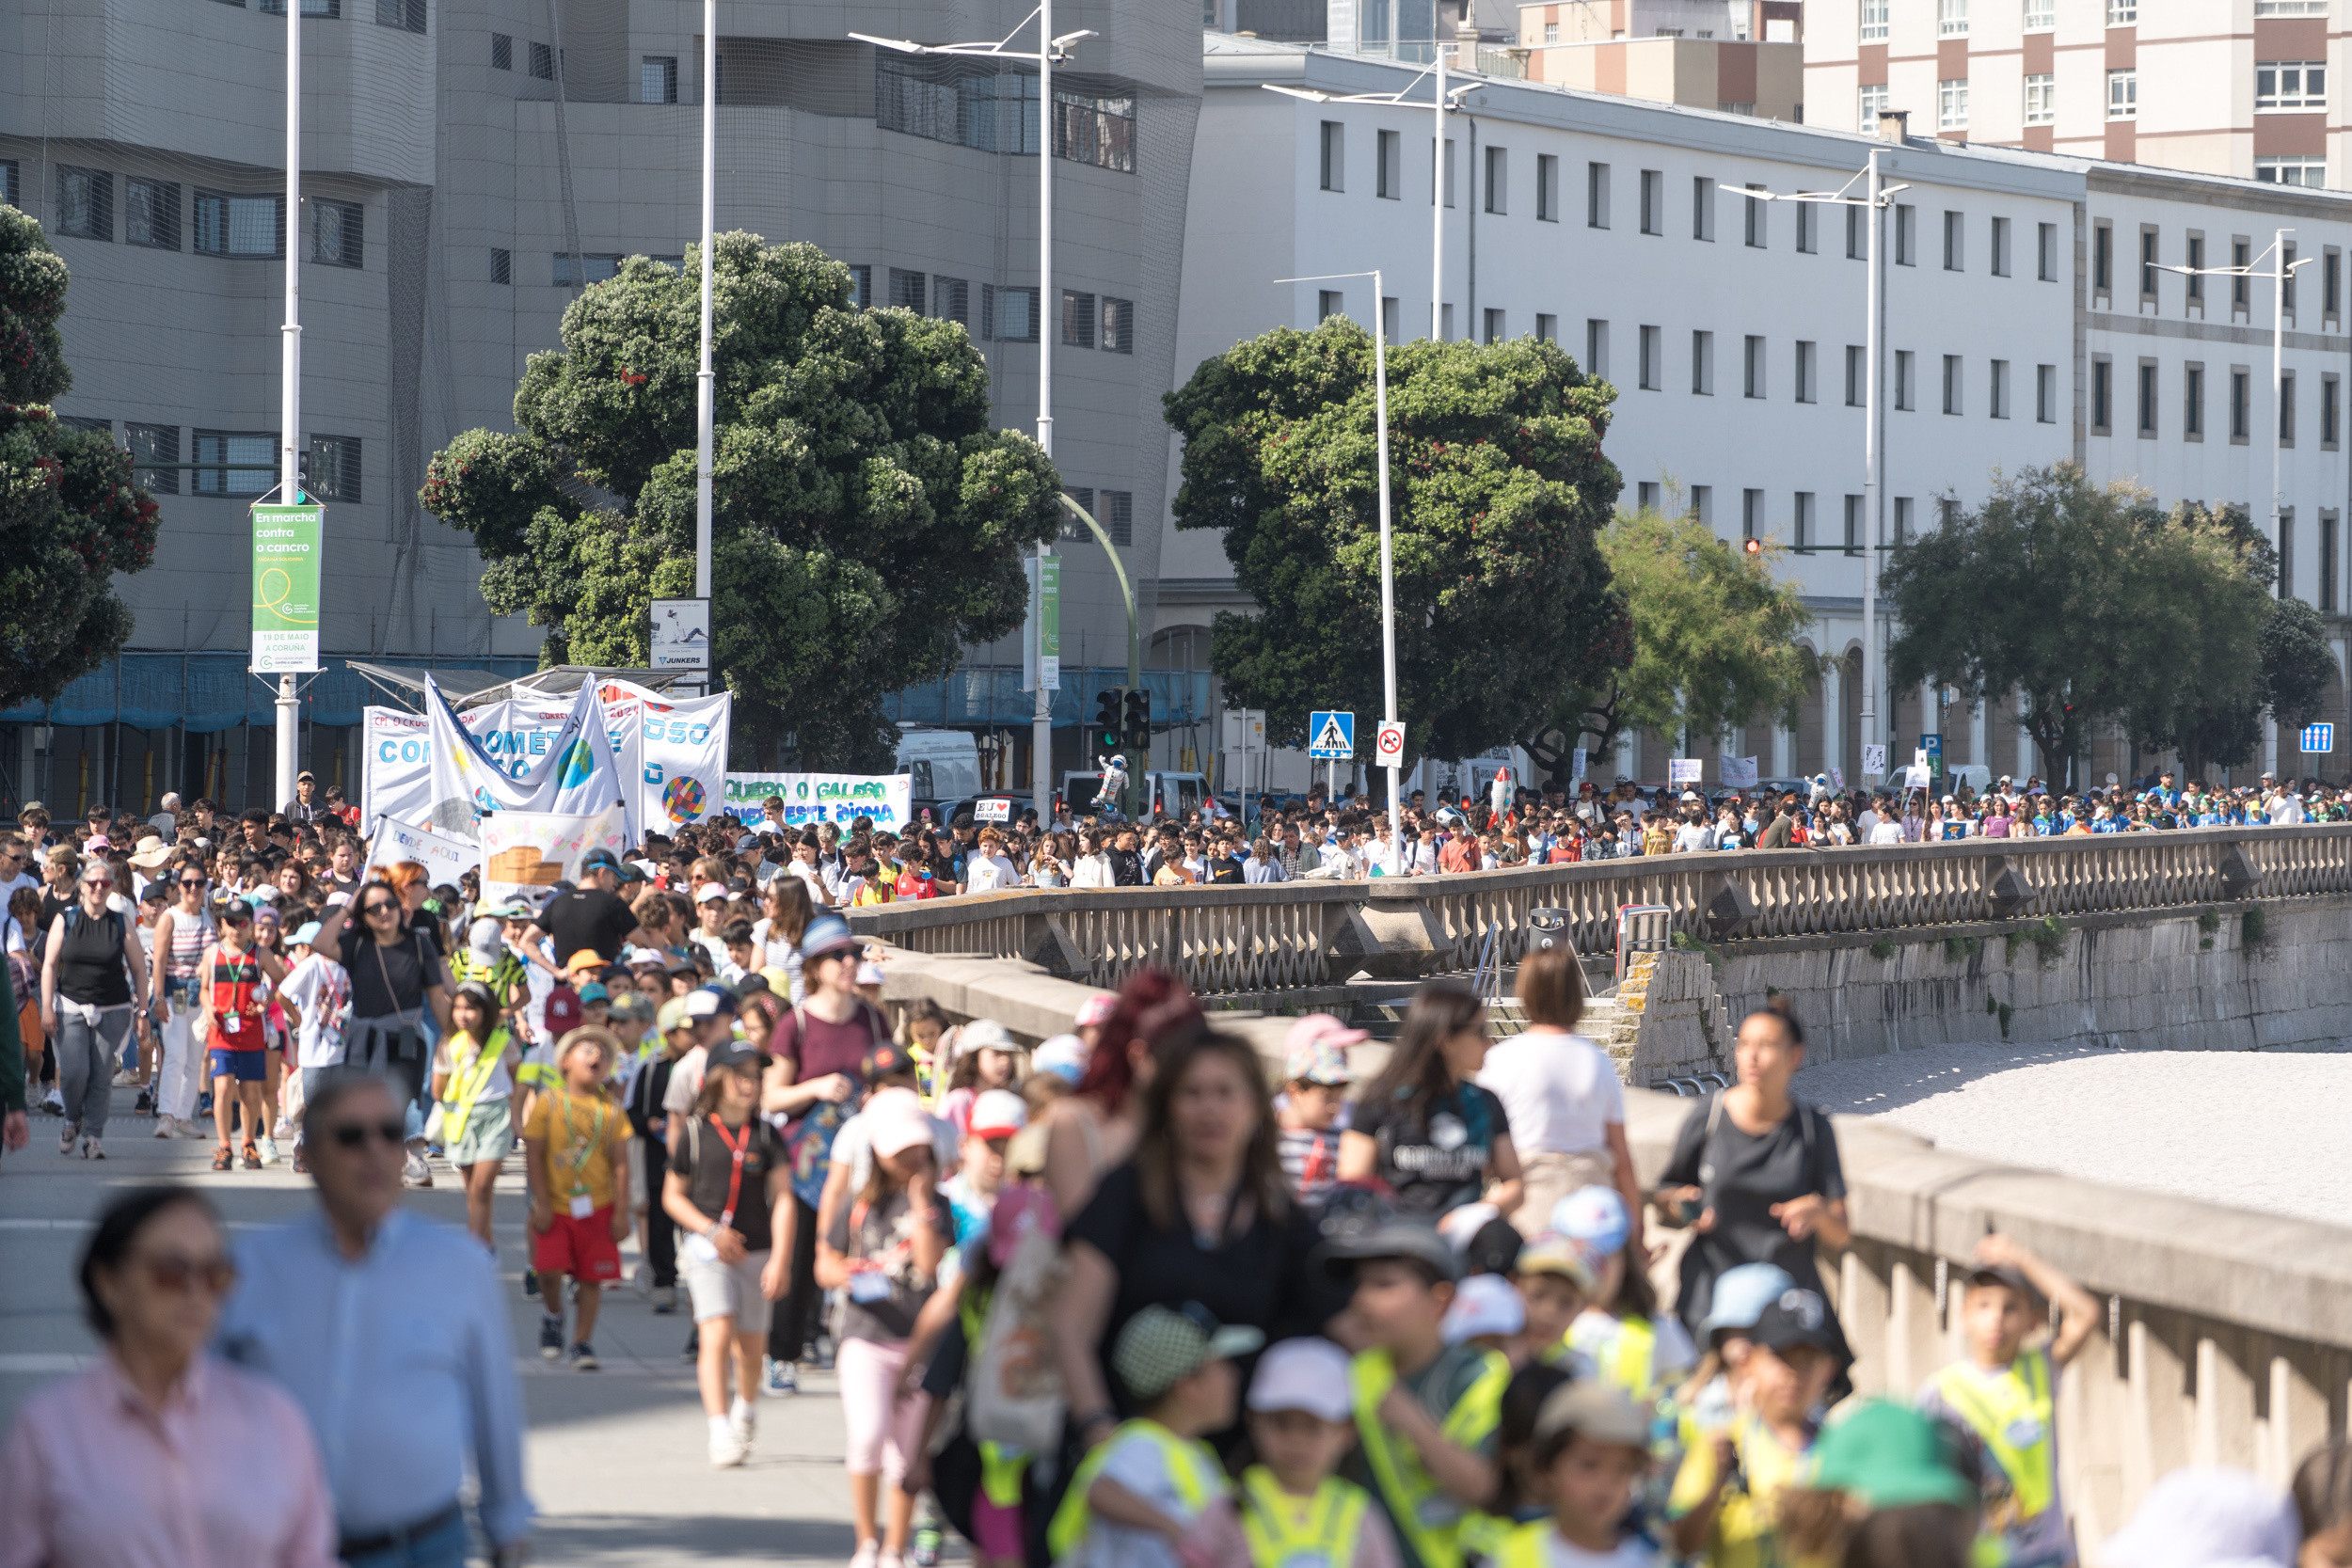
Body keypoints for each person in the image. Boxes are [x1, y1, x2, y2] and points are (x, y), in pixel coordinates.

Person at [217, 1073, 532, 1568]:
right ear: (311, 1155)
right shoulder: (249, 1269)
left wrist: (508, 1525)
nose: (374, 1151)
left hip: (423, 1549)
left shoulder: (460, 1267)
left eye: (389, 1133)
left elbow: (494, 1404)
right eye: (349, 1136)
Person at [1052, 1017, 1345, 1462]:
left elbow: (1337, 1322)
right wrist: (1100, 1431)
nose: (1210, 1109)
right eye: (1193, 1093)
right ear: (1167, 1105)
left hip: (1245, 1464)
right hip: (1128, 1450)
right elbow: (1070, 1325)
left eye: (1225, 1093)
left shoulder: (1279, 1216)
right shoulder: (1126, 1193)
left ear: (1254, 1107)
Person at [0, 1185, 338, 1568]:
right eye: (170, 1272)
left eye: (214, 1273)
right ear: (108, 1282)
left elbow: (309, 1557)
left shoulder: (275, 1416)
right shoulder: (47, 1430)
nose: (196, 1291)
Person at [1652, 999, 1850, 1360]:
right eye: (1744, 1044)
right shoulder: (1708, 1117)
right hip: (1710, 1301)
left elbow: (1841, 1231)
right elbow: (1664, 1197)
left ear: (1795, 1056)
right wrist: (1681, 1206)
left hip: (1783, 1307)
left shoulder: (1811, 1129)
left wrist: (1818, 1211)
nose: (1752, 1056)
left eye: (1767, 1045)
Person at [1316, 1221, 1509, 1568]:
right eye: (1359, 1285)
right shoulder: (1346, 1369)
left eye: (1384, 1285)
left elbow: (1482, 1489)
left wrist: (1403, 1413)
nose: (1361, 1300)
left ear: (1440, 1300)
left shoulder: (1481, 1375)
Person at [818, 1092, 955, 1568]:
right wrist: (847, 1273)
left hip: (919, 1344)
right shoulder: (860, 1205)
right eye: (902, 1151)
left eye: (919, 1148)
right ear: (878, 1151)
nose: (913, 1159)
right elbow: (824, 1264)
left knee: (907, 1452)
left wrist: (922, 1207)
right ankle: (866, 1544)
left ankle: (895, 1547)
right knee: (868, 1435)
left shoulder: (939, 1206)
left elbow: (931, 1265)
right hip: (865, 1336)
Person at [761, 911, 889, 1394]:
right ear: (815, 965)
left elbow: (893, 1078)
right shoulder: (794, 1023)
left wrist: (874, 1095)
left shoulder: (873, 1019)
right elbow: (771, 1096)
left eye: (852, 954)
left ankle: (858, 1345)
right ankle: (783, 1353)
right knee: (798, 1256)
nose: (849, 963)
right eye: (838, 956)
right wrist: (815, 1086)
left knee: (861, 1252)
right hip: (806, 1162)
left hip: (862, 1156)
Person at [1918, 1234, 2099, 1568]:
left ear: (2033, 1321)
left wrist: (2024, 1259)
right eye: (1983, 1306)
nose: (1997, 1319)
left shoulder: (2041, 1368)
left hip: (2046, 1553)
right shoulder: (1941, 1391)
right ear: (1964, 1316)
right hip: (1979, 1555)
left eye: (2010, 1307)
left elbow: (2086, 1313)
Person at [1046, 1303, 1259, 1568]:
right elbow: (1102, 1492)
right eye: (1223, 1364)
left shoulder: (1195, 1453)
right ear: (1188, 1387)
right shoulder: (1142, 1443)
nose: (1234, 1375)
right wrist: (1176, 1530)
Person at [666, 1038, 790, 1467]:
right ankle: (719, 1428)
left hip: (756, 1252)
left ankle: (746, 1409)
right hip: (707, 1251)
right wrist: (710, 1229)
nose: (750, 1083)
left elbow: (784, 1199)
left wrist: (781, 1258)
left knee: (752, 1346)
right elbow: (673, 1196)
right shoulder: (696, 1133)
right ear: (718, 1079)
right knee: (716, 1332)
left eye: (756, 1076)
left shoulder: (767, 1135)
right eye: (741, 1074)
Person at [1664, 1289, 1842, 1567]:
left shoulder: (1841, 1450)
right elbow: (1681, 1545)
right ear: (1749, 1362)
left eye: (1808, 1361)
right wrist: (1716, 1486)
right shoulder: (1724, 1442)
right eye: (1782, 1359)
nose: (1793, 1374)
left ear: (1828, 1369)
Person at [1474, 945, 1640, 1241]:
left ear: (1525, 993)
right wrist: (1638, 1232)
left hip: (1526, 1199)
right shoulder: (1597, 1061)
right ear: (1575, 995)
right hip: (1590, 1208)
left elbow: (1483, 1148)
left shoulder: (1500, 1060)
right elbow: (1622, 1158)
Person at [1341, 983, 1525, 1221]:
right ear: (1446, 1040)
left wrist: (1473, 1216)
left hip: (1462, 1236)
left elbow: (1514, 1183)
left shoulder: (1485, 1102)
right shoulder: (1380, 1102)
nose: (1488, 1042)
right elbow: (1353, 1185)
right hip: (1396, 1236)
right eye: (1479, 1032)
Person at [524, 1025, 633, 1370]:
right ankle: (553, 1314)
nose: (596, 1056)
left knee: (591, 1278)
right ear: (566, 1061)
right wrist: (541, 1201)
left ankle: (582, 1342)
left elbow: (621, 1165)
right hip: (556, 1205)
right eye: (587, 1050)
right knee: (549, 1271)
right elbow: (533, 1154)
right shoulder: (549, 1102)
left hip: (598, 1207)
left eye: (602, 1053)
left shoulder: (612, 1110)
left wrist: (621, 1212)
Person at [41, 857, 151, 1161]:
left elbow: (140, 970)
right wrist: (47, 1009)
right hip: (70, 1006)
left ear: (112, 886)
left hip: (113, 1007)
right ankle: (71, 1118)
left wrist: (143, 1013)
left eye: (105, 883)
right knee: (76, 1071)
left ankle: (93, 1136)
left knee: (101, 1074)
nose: (99, 888)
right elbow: (50, 965)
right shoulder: (67, 919)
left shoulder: (120, 921)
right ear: (82, 886)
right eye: (93, 883)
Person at [1483, 1382, 1661, 1568]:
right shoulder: (1509, 1558)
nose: (1606, 1483)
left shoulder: (1646, 1561)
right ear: (1547, 1468)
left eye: (1623, 1469)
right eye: (1589, 1465)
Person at [195, 898, 286, 1171]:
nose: (236, 929)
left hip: (251, 1031)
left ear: (251, 925)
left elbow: (282, 980)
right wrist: (209, 1008)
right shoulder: (212, 954)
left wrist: (265, 1001)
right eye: (230, 923)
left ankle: (248, 1143)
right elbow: (203, 988)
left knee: (250, 1089)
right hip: (221, 1031)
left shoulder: (260, 954)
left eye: (242, 923)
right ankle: (224, 1146)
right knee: (222, 1088)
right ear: (222, 924)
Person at [430, 981, 517, 1251]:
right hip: (461, 1121)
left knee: (481, 1187)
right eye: (457, 1007)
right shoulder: (448, 1045)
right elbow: (438, 1089)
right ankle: (485, 1240)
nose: (462, 1014)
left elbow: (518, 1080)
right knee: (473, 1190)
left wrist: (519, 1118)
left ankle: (475, 1247)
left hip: (495, 1118)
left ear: (485, 1010)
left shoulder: (503, 1041)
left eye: (470, 1008)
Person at [277, 921, 350, 1175]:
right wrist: (299, 1020)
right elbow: (282, 994)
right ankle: (304, 1146)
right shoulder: (313, 964)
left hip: (345, 1047)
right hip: (315, 1049)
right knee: (313, 1103)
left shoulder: (351, 962)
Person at [1276, 1012, 1361, 1209]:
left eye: (1339, 1098)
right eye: (1326, 1097)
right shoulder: (1271, 1137)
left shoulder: (1340, 1138)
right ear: (1296, 1093)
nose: (1335, 1107)